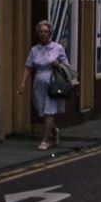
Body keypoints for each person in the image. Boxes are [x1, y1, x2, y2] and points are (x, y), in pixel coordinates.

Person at [18, 20, 71, 150]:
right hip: (39, 83)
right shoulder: (34, 50)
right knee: (42, 110)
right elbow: (28, 67)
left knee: (49, 111)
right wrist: (23, 83)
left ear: (50, 33)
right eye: (41, 31)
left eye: (46, 32)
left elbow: (67, 67)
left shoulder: (58, 48)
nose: (43, 34)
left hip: (53, 83)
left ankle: (45, 141)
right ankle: (55, 131)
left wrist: (58, 64)